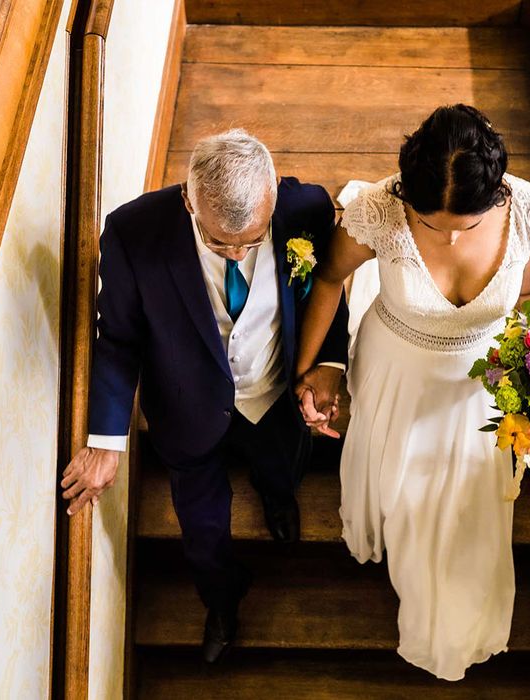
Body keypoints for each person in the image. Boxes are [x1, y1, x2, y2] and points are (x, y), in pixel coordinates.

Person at [60, 130, 349, 663]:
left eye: (252, 239)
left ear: (272, 200)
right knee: (202, 533)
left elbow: (329, 289)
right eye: (220, 242)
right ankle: (222, 601)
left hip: (274, 394)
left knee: (282, 467)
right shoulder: (133, 233)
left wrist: (327, 364)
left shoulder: (307, 208)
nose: (237, 252)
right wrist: (107, 439)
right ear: (189, 202)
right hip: (185, 412)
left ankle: (277, 498)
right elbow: (118, 340)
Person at [295, 104, 530, 681]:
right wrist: (310, 368)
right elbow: (331, 280)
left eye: (464, 224)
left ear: (496, 198)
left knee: (464, 518)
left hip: (479, 384)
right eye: (432, 222)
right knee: (403, 499)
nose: (449, 235)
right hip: (398, 373)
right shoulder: (378, 213)